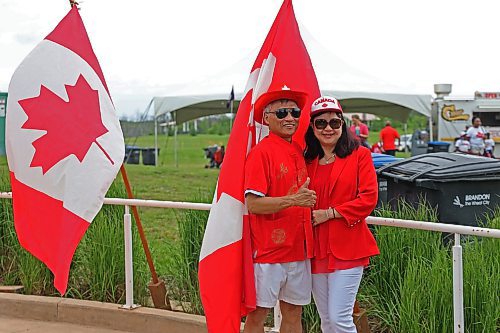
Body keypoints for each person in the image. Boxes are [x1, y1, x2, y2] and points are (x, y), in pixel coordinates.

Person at [243, 87, 317, 333]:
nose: (290, 118)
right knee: (258, 315)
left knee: (294, 312)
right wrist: (294, 200)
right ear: (267, 118)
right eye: (282, 112)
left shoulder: (297, 149)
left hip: (300, 248)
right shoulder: (260, 153)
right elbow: (253, 204)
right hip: (269, 251)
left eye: (295, 112)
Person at [304, 96, 380, 333]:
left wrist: (330, 213)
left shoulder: (360, 155)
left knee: (339, 319)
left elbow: (368, 199)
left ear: (343, 125)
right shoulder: (307, 161)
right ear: (312, 127)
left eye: (335, 123)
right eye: (321, 123)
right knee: (326, 320)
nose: (328, 128)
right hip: (316, 249)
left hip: (348, 248)